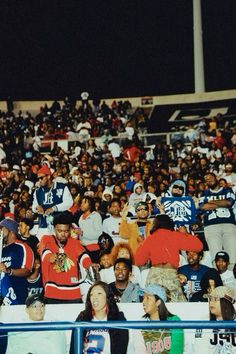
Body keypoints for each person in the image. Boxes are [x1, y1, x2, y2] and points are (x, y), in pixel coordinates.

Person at [135, 214, 203, 302]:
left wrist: (141, 244)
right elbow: (199, 246)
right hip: (170, 274)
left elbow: (139, 261)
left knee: (154, 305)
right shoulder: (175, 235)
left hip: (154, 274)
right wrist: (185, 233)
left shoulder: (150, 239)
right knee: (177, 305)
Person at [38, 211, 92, 303]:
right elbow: (44, 252)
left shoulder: (74, 243)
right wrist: (50, 256)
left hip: (73, 294)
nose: (63, 234)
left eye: (66, 231)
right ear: (54, 229)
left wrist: (89, 265)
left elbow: (83, 256)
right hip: (52, 293)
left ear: (70, 230)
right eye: (60, 231)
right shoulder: (47, 239)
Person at [70, 281, 129, 354]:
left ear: (107, 297)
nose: (94, 297)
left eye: (99, 293)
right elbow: (73, 349)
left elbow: (121, 349)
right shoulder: (82, 318)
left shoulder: (118, 319)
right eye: (91, 294)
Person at [199, 172, 236, 269]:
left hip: (229, 224)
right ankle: (217, 281)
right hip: (211, 226)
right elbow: (203, 207)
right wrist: (221, 203)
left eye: (210, 177)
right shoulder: (204, 193)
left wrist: (211, 202)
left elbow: (229, 203)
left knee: (232, 256)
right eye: (206, 179)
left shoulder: (227, 190)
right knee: (215, 256)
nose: (208, 180)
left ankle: (232, 281)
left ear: (216, 178)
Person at [188, 286, 236, 354]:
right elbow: (200, 350)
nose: (211, 302)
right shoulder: (204, 322)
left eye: (216, 299)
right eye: (210, 298)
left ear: (227, 302)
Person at [139, 284, 184, 354]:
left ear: (158, 302)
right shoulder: (140, 325)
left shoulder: (174, 321)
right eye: (143, 298)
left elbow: (177, 350)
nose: (143, 302)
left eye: (148, 298)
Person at [32, 164, 73, 239]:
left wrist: (54, 208)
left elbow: (69, 202)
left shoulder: (62, 187)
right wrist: (37, 208)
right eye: (38, 179)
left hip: (59, 227)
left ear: (48, 176)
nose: (39, 181)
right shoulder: (37, 191)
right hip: (43, 226)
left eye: (41, 178)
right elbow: (34, 207)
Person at [0, 218, 34, 304]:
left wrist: (8, 271)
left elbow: (27, 270)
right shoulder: (1, 249)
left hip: (17, 294)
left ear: (11, 231)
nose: (0, 232)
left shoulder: (22, 247)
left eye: (2, 229)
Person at [78, 195, 103, 262]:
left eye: (85, 203)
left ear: (90, 205)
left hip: (93, 248)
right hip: (83, 247)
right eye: (81, 203)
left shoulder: (96, 216)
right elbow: (81, 233)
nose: (82, 205)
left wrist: (83, 233)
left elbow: (99, 233)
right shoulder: (81, 217)